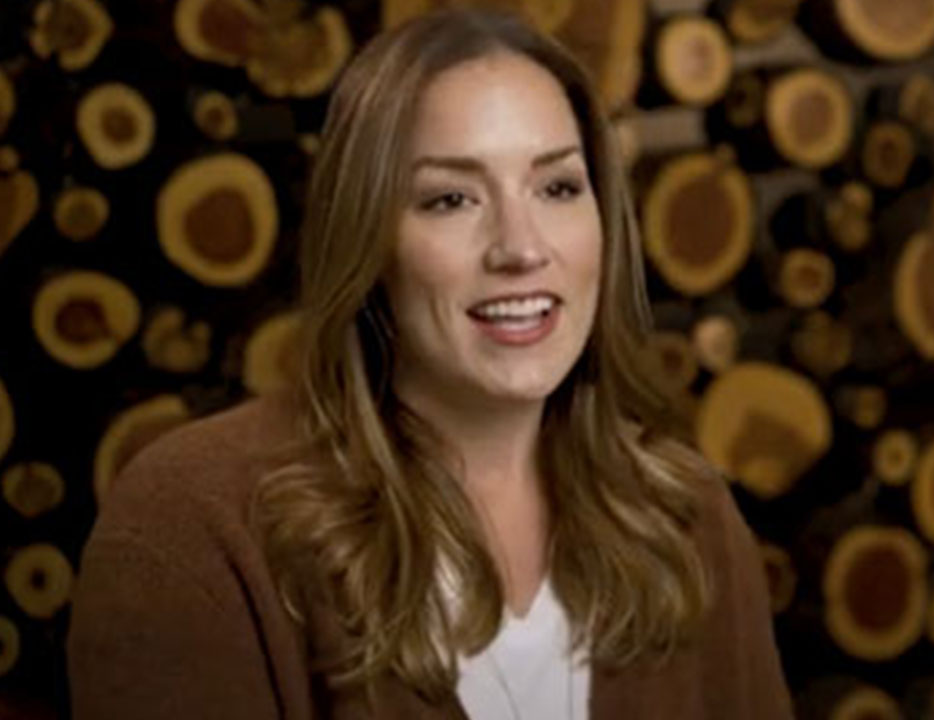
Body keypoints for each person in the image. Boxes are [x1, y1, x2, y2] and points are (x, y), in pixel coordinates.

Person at [67, 7, 791, 719]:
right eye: (450, 198)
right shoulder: (194, 526)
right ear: (368, 243)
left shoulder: (686, 516)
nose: (521, 247)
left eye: (557, 187)